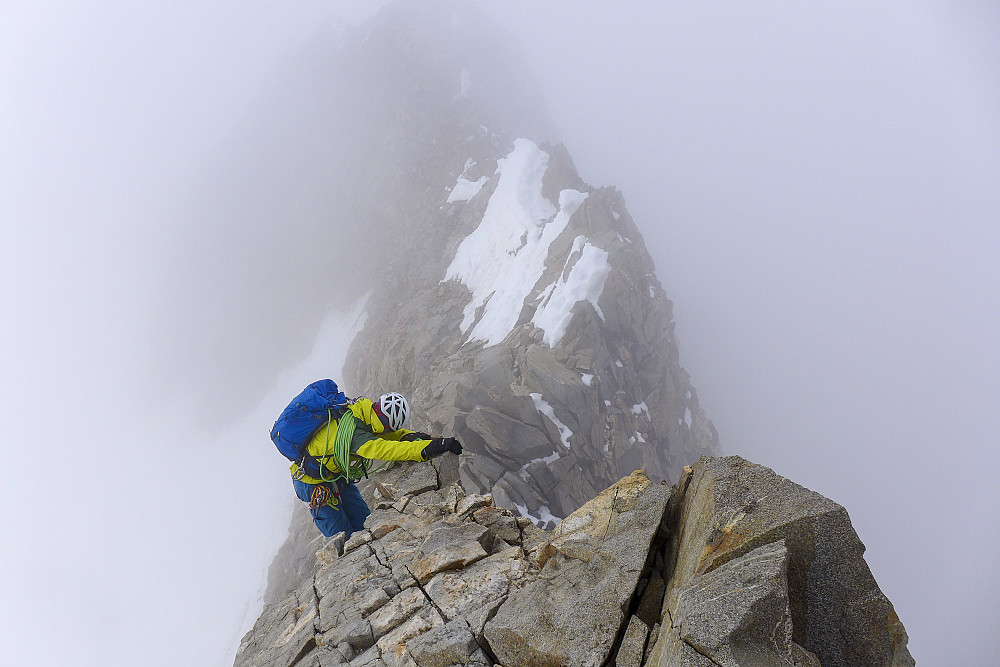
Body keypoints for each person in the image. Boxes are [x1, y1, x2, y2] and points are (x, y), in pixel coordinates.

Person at [289, 391, 462, 538]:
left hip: (336, 474)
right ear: (387, 426)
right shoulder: (355, 436)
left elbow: (387, 436)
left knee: (364, 525)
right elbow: (386, 449)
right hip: (311, 482)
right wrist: (432, 447)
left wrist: (414, 437)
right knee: (343, 536)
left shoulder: (363, 411)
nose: (390, 432)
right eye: (391, 429)